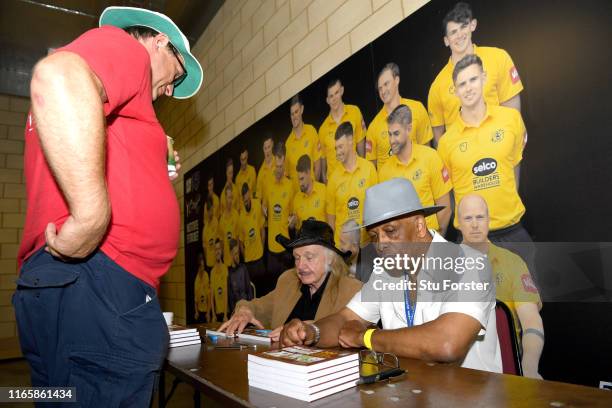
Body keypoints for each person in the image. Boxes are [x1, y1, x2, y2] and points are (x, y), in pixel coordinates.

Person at [13, 6, 203, 404]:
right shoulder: (127, 51)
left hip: (74, 287)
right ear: (159, 41)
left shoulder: (111, 97)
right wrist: (90, 217)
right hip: (101, 285)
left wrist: (150, 158)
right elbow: (58, 75)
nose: (170, 91)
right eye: (177, 76)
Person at [280, 178, 501, 373]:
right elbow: (346, 320)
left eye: (391, 231)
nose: (381, 244)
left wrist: (365, 337)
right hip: (409, 393)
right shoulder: (384, 273)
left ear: (420, 225)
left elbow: (447, 343)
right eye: (375, 236)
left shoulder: (470, 263)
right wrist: (311, 332)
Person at [437, 55, 533, 267]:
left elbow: (515, 166)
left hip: (513, 233)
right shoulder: (446, 142)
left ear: (484, 78)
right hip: (471, 245)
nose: (468, 88)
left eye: (473, 80)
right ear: (455, 90)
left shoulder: (511, 120)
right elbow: (448, 195)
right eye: (462, 84)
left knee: (529, 300)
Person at [219, 220, 362, 341]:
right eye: (297, 258)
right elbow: (259, 307)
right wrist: (245, 310)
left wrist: (305, 329)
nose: (300, 266)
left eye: (309, 257)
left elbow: (351, 331)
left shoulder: (351, 290)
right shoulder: (288, 281)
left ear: (330, 259)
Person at [457, 194, 543, 379]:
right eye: (468, 218)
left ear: (489, 220)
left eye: (480, 217)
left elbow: (531, 320)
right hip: (458, 370)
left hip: (507, 369)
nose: (474, 224)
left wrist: (528, 367)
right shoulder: (442, 265)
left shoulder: (512, 262)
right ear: (458, 223)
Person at [428, 2, 524, 146]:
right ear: (446, 41)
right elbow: (439, 139)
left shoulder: (498, 57)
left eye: (463, 27)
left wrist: (513, 139)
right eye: (453, 32)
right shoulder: (437, 86)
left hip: (500, 144)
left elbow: (513, 110)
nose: (459, 35)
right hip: (463, 158)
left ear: (473, 25)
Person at [378, 104, 452, 236]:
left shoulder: (430, 157)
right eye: (389, 134)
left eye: (396, 134)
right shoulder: (384, 172)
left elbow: (445, 208)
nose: (391, 140)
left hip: (432, 238)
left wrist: (435, 242)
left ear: (409, 129)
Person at [366, 63, 433, 169]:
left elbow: (427, 150)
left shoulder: (417, 109)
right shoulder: (373, 127)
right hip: (390, 183)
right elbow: (371, 168)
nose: (383, 91)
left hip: (418, 179)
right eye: (380, 88)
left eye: (386, 84)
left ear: (396, 80)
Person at [326, 122, 378, 246]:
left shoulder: (369, 169)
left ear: (350, 141)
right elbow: (331, 221)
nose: (337, 152)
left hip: (367, 245)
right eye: (336, 148)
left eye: (340, 147)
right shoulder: (333, 178)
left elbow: (376, 209)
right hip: (344, 249)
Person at [318, 79, 366, 182]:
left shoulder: (355, 112)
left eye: (336, 93)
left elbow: (361, 147)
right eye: (331, 96)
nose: (334, 98)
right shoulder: (322, 129)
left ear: (342, 91)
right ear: (327, 100)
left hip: (354, 176)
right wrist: (324, 178)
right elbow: (323, 158)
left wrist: (363, 170)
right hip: (335, 182)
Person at [262, 142, 295, 291]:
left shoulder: (290, 185)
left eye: (282, 167)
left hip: (286, 249)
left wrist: (293, 219)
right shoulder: (267, 184)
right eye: (277, 166)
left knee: (288, 290)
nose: (279, 170)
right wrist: (263, 209)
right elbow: (264, 206)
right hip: (271, 249)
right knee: (273, 291)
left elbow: (294, 214)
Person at [285, 95, 322, 188]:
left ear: (302, 109)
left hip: (313, 194)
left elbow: (318, 164)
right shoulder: (288, 143)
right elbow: (287, 176)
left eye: (296, 112)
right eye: (292, 114)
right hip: (297, 199)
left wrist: (313, 188)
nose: (294, 116)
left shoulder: (311, 131)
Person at [238, 183, 267, 295]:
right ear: (242, 200)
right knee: (252, 293)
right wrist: (245, 256)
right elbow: (240, 242)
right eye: (244, 201)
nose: (247, 203)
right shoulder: (241, 218)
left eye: (248, 199)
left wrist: (262, 249)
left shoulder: (257, 205)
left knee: (263, 291)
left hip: (259, 259)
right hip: (249, 263)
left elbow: (262, 230)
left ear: (249, 194)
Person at [292, 154, 327, 230]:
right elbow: (297, 230)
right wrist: (292, 225)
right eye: (298, 179)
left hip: (322, 240)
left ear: (308, 173)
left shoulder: (324, 190)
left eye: (302, 179)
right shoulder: (297, 198)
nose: (300, 183)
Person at [227, 239, 255, 315]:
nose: (237, 256)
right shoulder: (229, 274)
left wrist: (250, 309)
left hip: (247, 309)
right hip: (237, 312)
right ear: (231, 254)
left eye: (238, 253)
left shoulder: (243, 268)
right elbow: (230, 298)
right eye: (235, 254)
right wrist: (235, 314)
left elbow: (249, 292)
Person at [218, 183, 240, 266]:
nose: (230, 200)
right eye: (229, 197)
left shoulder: (236, 215)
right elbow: (221, 243)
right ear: (225, 198)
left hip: (235, 262)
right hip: (226, 263)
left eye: (232, 198)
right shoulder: (221, 219)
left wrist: (237, 258)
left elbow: (238, 239)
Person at [210, 239, 229, 323]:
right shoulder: (212, 272)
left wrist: (225, 315)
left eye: (219, 249)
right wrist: (213, 315)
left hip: (225, 313)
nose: (217, 251)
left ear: (222, 251)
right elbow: (212, 295)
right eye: (216, 249)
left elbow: (225, 293)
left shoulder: (225, 269)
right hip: (217, 314)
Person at [202, 196, 220, 271]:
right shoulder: (205, 228)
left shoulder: (216, 222)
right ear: (207, 211)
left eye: (212, 210)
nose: (210, 213)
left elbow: (218, 241)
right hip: (209, 264)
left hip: (217, 261)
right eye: (209, 211)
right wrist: (207, 261)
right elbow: (205, 247)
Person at [194, 252, 212, 323]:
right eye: (201, 266)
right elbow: (195, 299)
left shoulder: (206, 276)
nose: (202, 268)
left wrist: (208, 312)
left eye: (203, 266)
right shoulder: (196, 279)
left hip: (206, 311)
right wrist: (196, 312)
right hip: (199, 311)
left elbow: (209, 296)